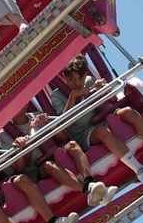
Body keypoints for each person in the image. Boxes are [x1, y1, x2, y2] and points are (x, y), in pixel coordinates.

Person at [44, 55, 120, 207]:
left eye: (80, 78)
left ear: (85, 76)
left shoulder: (90, 82)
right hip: (82, 135)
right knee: (97, 134)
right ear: (64, 78)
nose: (77, 83)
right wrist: (73, 97)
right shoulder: (57, 95)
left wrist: (101, 90)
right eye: (71, 79)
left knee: (118, 118)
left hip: (99, 124)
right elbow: (62, 123)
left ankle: (97, 189)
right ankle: (91, 185)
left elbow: (113, 100)